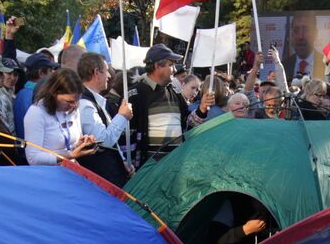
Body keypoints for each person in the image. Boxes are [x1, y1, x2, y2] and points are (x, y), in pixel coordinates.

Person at [23, 68, 121, 166]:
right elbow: (33, 158)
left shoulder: (73, 109)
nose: (74, 105)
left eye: (77, 101)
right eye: (69, 101)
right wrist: (69, 155)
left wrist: (81, 144)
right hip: (48, 175)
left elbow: (71, 146)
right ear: (54, 93)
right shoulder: (36, 113)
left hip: (70, 170)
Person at [128, 43, 207, 162]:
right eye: (171, 65)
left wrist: (202, 109)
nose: (175, 70)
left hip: (173, 166)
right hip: (147, 169)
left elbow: (188, 124)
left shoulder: (175, 91)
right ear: (157, 66)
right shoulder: (136, 93)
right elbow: (128, 136)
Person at [76, 51, 134, 185]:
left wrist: (122, 161)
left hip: (109, 174)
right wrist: (123, 116)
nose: (109, 76)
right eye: (106, 71)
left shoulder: (96, 101)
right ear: (96, 72)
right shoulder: (85, 104)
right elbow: (103, 140)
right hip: (99, 178)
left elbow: (111, 143)